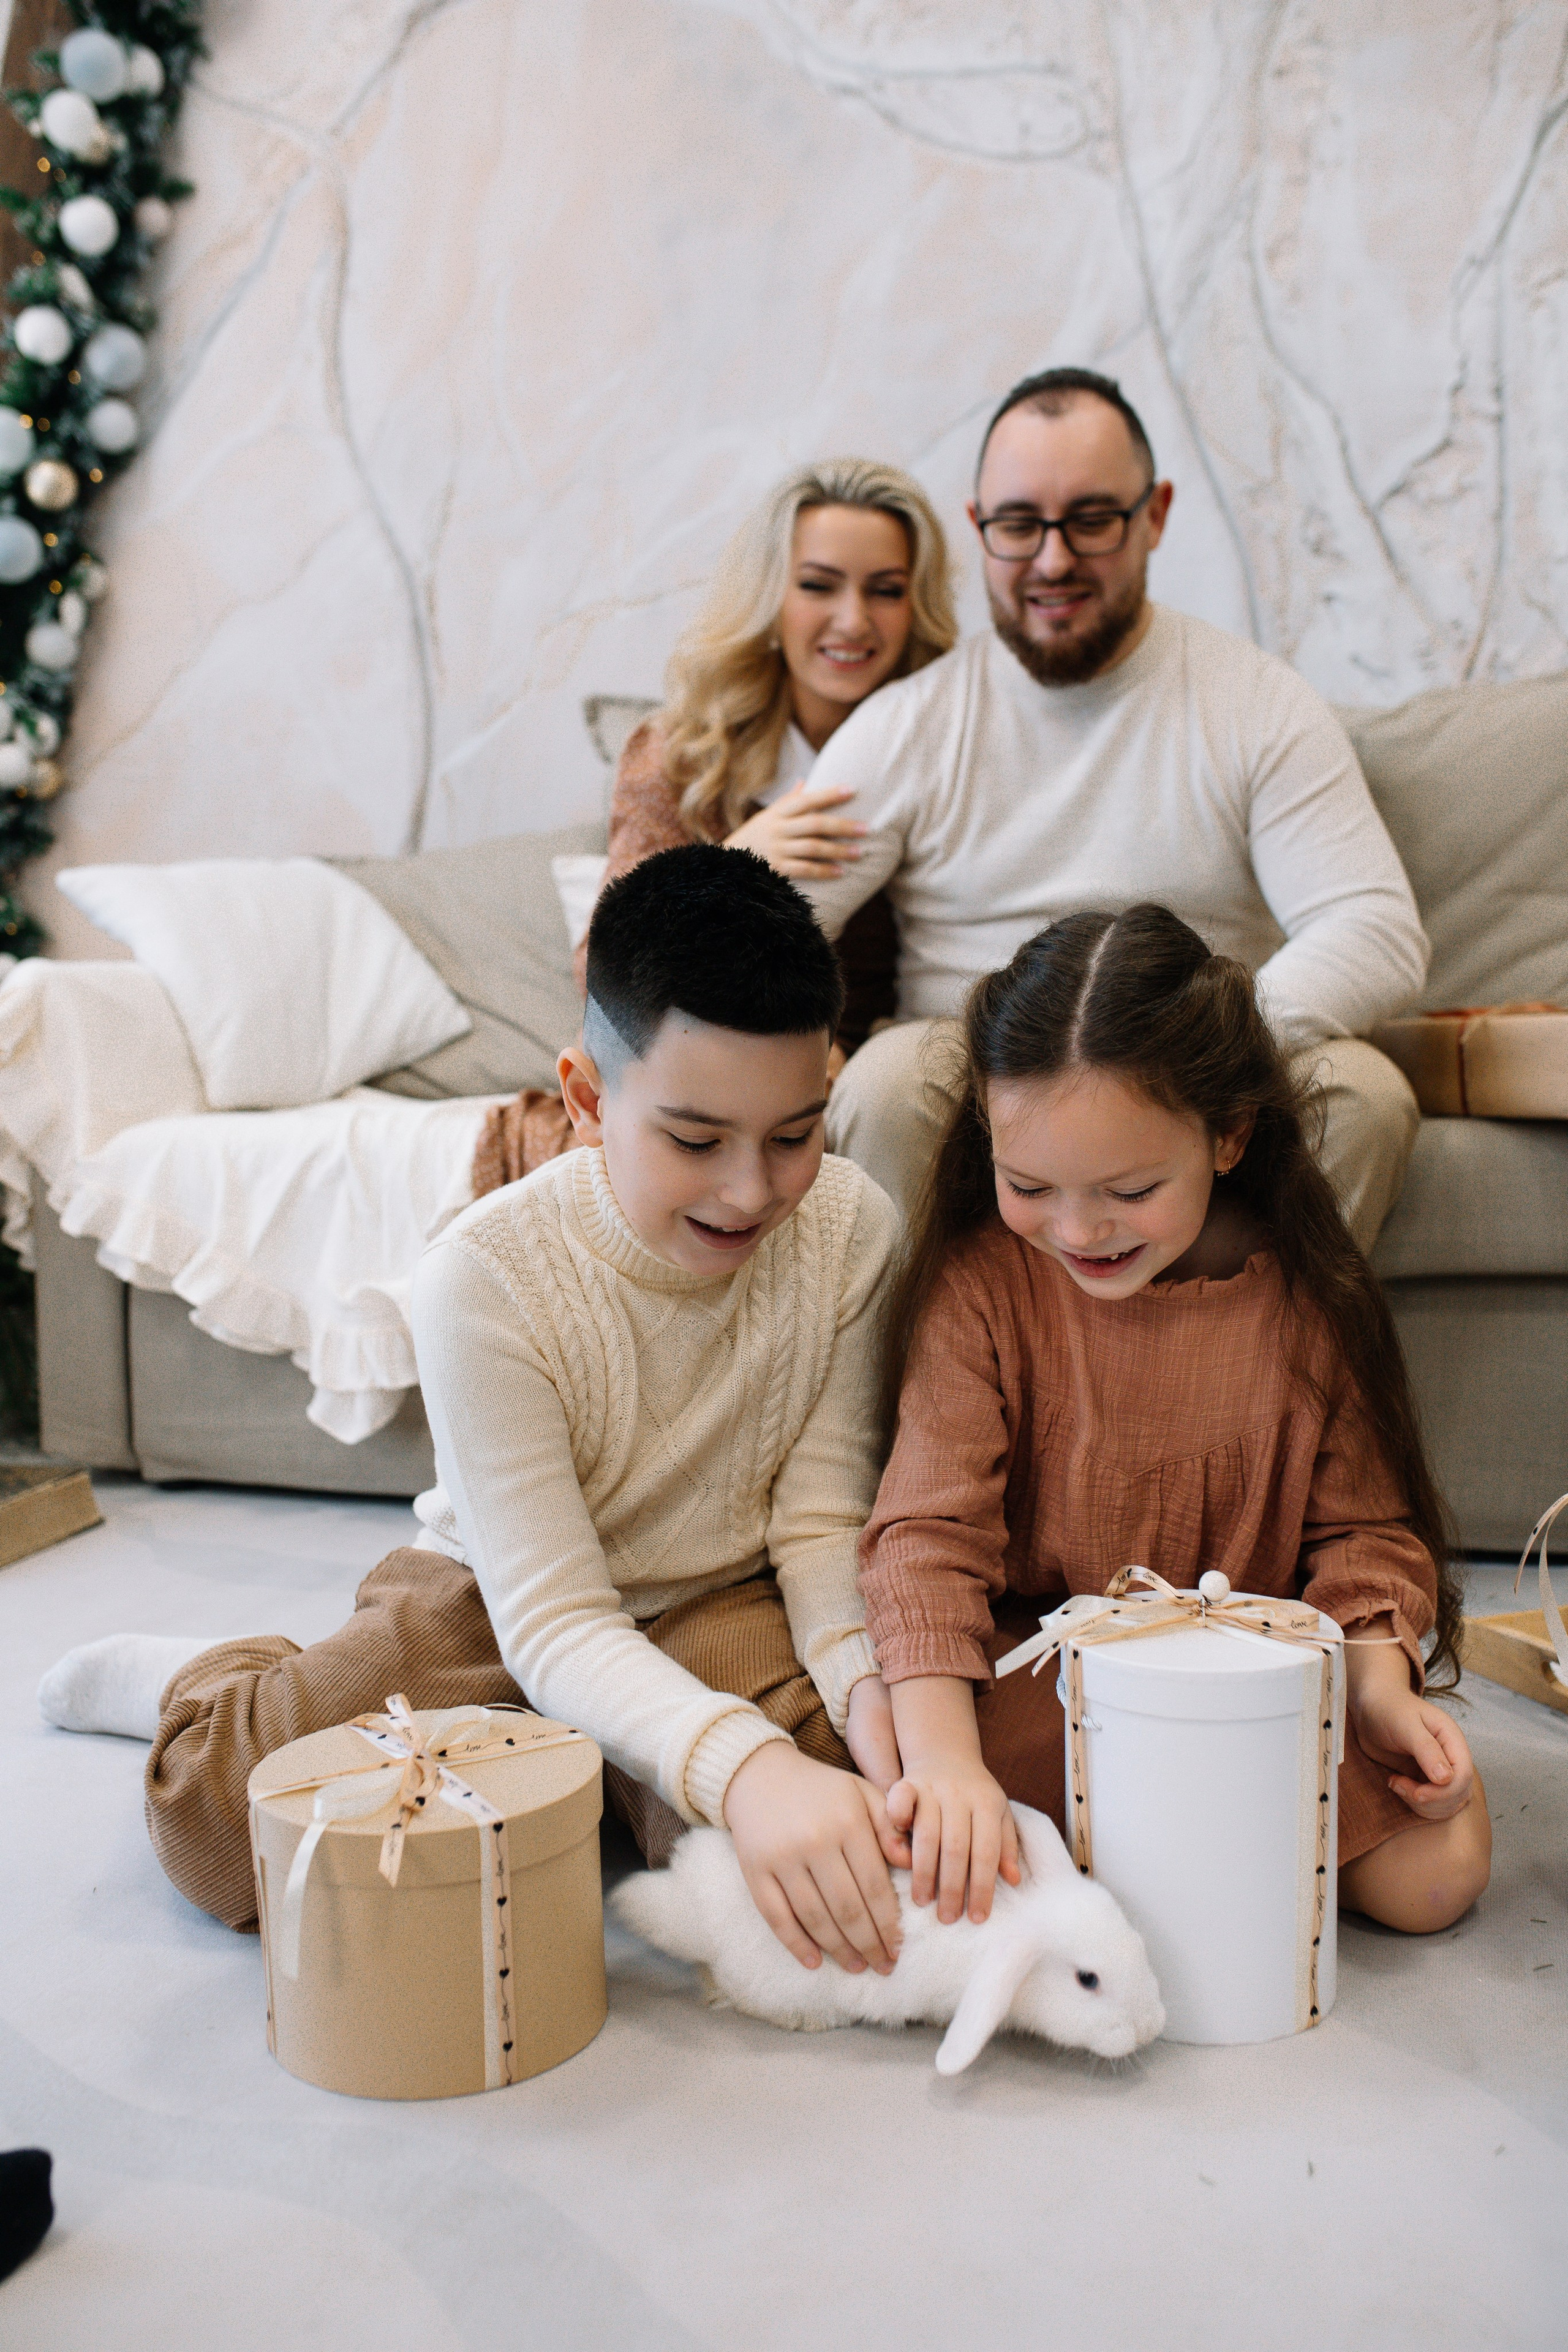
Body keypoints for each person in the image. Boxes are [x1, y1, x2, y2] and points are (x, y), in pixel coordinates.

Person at [41, 848, 912, 1980]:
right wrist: (742, 1767)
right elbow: (554, 1621)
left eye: (794, 1136)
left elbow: (821, 1519)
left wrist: (858, 1682)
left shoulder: (853, 1226)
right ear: (587, 1099)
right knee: (226, 1837)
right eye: (696, 1141)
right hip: (502, 1598)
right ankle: (217, 1676)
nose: (752, 1190)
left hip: (721, 1590)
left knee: (827, 1855)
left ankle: (605, 1762)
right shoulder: (483, 1275)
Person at [858, 905, 1491, 1937]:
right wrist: (944, 1765)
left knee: (1436, 1873)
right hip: (1046, 1686)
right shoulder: (982, 1287)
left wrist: (1380, 1691)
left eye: (1130, 1189)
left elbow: (1365, 1536)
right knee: (904, 1776)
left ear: (1229, 1136)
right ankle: (1174, 1852)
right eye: (1029, 1185)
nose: (1077, 1229)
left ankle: (1139, 1854)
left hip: (1245, 1688)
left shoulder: (1302, 1297)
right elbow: (928, 1542)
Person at [802, 368, 1430, 1253]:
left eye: (1091, 519)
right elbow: (766, 931)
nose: (1053, 559)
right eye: (1019, 524)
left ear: (1155, 515)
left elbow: (1375, 929)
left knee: (1364, 1095)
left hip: (1199, 1074)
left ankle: (1254, 1346)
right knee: (884, 1083)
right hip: (978, 1073)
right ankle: (921, 1347)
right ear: (979, 528)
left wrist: (1180, 1060)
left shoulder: (1258, 702)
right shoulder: (908, 723)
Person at [475, 459, 957, 1188]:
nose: (854, 619)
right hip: (698, 1069)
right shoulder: (682, 754)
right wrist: (730, 867)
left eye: (886, 590)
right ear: (770, 595)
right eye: (818, 585)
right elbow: (601, 963)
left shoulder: (948, 748)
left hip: (874, 1077)